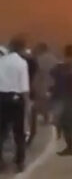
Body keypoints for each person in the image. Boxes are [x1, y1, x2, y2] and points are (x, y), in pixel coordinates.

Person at [0, 36, 31, 173]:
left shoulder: (1, 61)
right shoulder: (21, 63)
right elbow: (24, 86)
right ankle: (20, 161)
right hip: (16, 99)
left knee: (1, 131)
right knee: (19, 132)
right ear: (22, 48)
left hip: (1, 98)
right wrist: (27, 102)